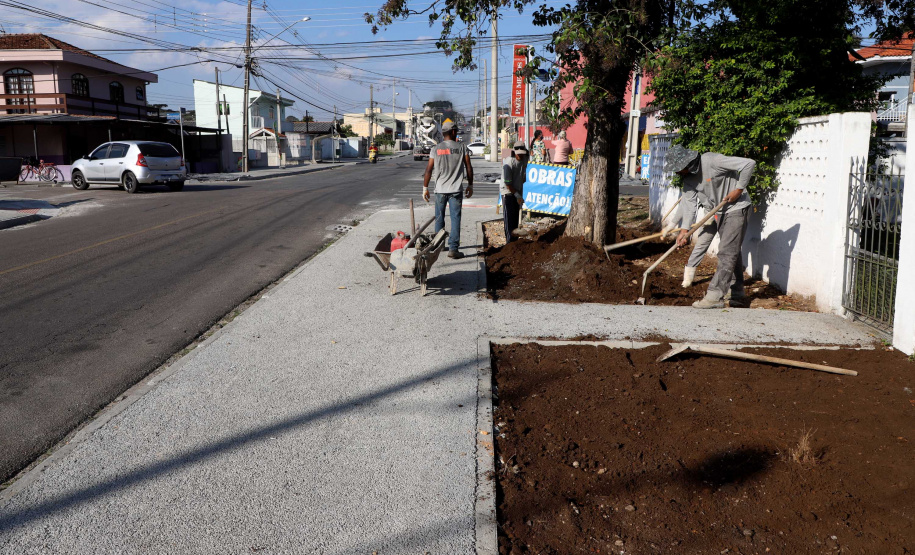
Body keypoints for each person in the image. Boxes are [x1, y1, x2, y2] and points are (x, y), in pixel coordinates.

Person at [663, 144, 756, 308]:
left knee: (727, 252)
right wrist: (684, 231)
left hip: (737, 208)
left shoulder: (713, 161)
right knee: (732, 250)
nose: (677, 172)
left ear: (688, 164)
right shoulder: (689, 179)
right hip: (718, 212)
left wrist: (739, 189)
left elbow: (749, 163)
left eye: (678, 169)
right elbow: (689, 206)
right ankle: (737, 292)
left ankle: (714, 297)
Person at [423, 121, 474, 259]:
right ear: (452, 132)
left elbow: (428, 169)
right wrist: (470, 185)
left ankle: (438, 246)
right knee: (455, 218)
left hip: (440, 190)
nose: (457, 132)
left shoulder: (435, 149)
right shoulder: (462, 147)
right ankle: (453, 249)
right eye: (456, 130)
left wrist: (425, 188)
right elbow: (468, 166)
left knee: (439, 218)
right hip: (455, 190)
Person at [501, 141, 529, 243]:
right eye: (519, 154)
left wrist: (523, 176)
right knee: (509, 219)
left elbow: (524, 169)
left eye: (522, 153)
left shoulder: (525, 158)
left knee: (516, 218)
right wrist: (517, 195)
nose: (520, 156)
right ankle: (509, 243)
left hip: (517, 189)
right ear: (514, 152)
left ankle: (515, 242)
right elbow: (508, 184)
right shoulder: (508, 163)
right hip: (507, 191)